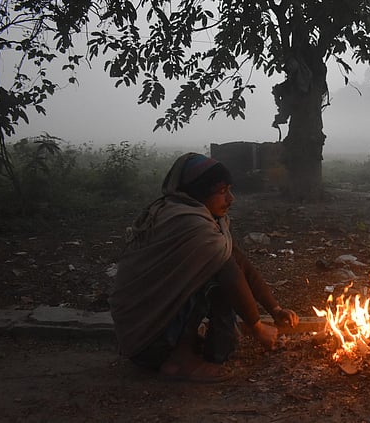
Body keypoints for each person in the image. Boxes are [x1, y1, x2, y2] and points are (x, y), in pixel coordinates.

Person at [109, 153, 299, 383]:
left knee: (220, 272)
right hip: (146, 340)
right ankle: (178, 360)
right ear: (198, 193)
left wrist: (275, 309)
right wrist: (257, 327)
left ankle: (200, 350)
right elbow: (230, 272)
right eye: (221, 192)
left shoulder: (195, 215)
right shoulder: (189, 224)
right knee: (216, 279)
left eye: (229, 189)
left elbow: (238, 260)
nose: (231, 199)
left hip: (147, 334)